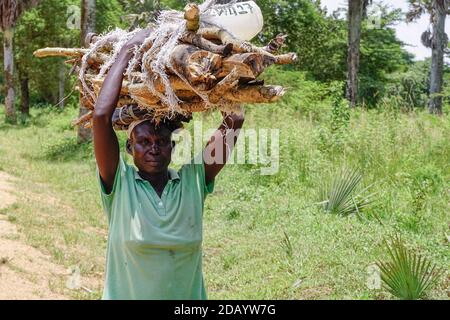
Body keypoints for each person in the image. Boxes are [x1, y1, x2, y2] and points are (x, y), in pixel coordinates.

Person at [93, 29, 244, 300]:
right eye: (144, 141)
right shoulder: (120, 184)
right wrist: (128, 49)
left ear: (173, 147)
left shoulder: (192, 182)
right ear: (129, 148)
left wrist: (224, 76)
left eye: (162, 140)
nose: (153, 147)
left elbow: (235, 121)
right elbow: (101, 116)